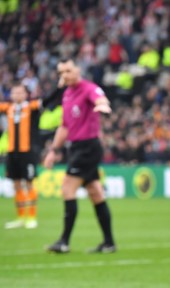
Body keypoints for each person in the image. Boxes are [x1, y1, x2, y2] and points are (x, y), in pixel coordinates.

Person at [44, 58, 117, 254]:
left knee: (68, 188)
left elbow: (99, 98)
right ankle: (109, 243)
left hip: (88, 147)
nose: (64, 75)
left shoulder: (88, 88)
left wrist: (103, 105)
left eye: (68, 71)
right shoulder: (67, 94)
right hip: (76, 147)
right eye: (61, 72)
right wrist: (53, 151)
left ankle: (64, 242)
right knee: (95, 192)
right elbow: (64, 127)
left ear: (78, 71)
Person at [1, 84, 42, 229]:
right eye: (14, 92)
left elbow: (48, 101)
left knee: (29, 183)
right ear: (10, 95)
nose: (17, 95)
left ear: (25, 94)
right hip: (12, 152)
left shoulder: (31, 107)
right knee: (16, 185)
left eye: (20, 92)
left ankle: (31, 217)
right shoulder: (8, 108)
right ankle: (20, 217)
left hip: (28, 152)